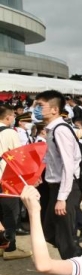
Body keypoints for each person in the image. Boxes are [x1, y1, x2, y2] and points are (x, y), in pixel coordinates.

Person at [34, 91, 82, 275]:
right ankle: (78, 256)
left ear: (54, 109)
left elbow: (68, 165)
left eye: (40, 105)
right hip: (55, 187)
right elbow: (52, 160)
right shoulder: (51, 130)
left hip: (67, 188)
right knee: (48, 231)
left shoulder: (60, 130)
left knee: (64, 236)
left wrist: (62, 198)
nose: (36, 108)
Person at [0, 105, 31, 260]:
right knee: (11, 214)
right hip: (6, 179)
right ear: (7, 117)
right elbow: (20, 156)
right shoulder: (10, 133)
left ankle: (1, 245)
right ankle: (10, 248)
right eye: (12, 115)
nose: (14, 118)